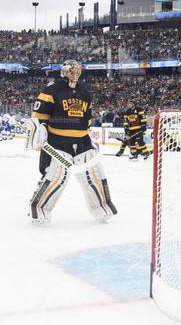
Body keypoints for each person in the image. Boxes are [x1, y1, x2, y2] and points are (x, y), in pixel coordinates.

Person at [25, 60, 117, 225]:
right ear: (64, 72)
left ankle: (102, 208)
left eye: (77, 72)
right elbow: (38, 117)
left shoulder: (84, 92)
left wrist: (88, 135)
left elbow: (87, 119)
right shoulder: (51, 90)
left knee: (95, 174)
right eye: (71, 71)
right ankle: (39, 210)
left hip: (83, 142)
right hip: (57, 142)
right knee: (57, 176)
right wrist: (39, 132)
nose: (74, 75)